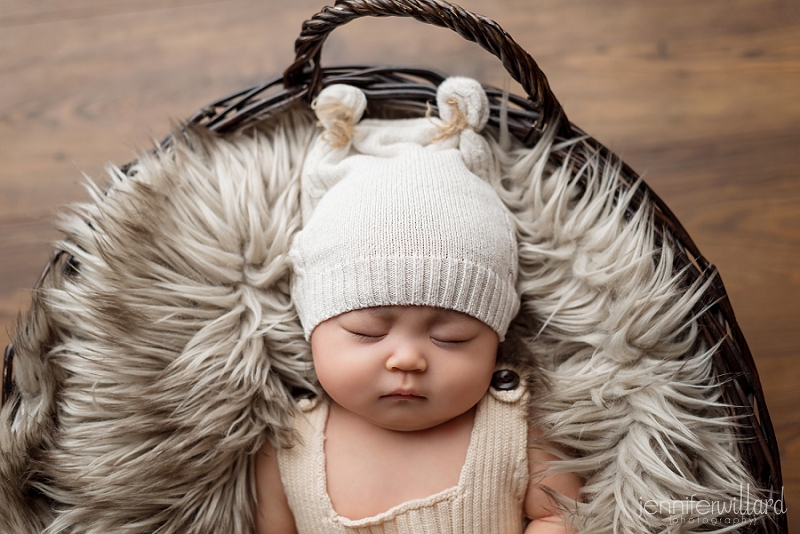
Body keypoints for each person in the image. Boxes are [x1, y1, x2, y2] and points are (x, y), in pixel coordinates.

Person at [253, 77, 582, 534]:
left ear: (496, 341)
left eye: (452, 338)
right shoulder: (289, 441)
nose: (407, 357)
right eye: (367, 332)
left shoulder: (516, 424)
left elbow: (559, 514)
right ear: (313, 328)